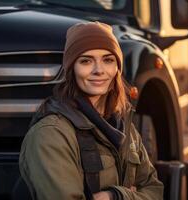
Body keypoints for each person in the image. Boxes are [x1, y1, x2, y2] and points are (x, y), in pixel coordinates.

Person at [19, 21, 163, 200]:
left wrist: (114, 196)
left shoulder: (125, 127)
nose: (99, 70)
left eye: (108, 60)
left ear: (117, 68)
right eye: (86, 61)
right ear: (71, 69)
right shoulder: (51, 134)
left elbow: (154, 191)